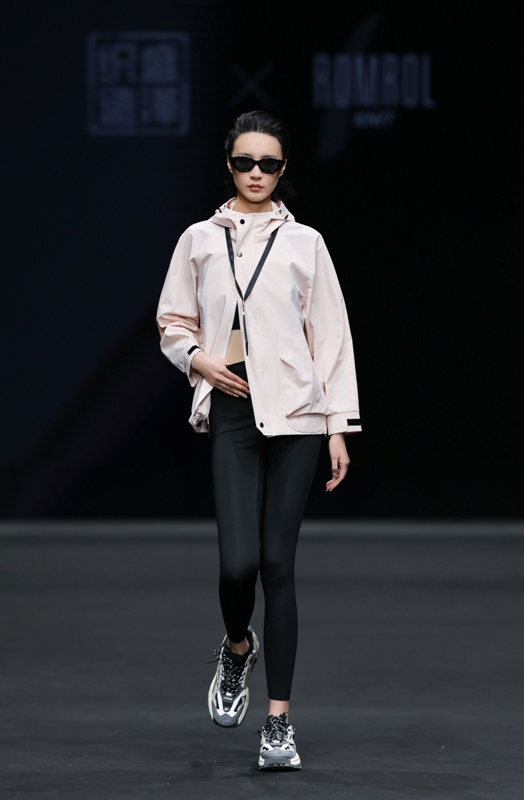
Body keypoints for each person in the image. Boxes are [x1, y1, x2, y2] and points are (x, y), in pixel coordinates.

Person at [156, 110, 361, 771]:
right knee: (236, 565)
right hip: (233, 409)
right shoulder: (198, 239)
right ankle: (237, 647)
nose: (255, 173)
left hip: (297, 413)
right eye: (244, 161)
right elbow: (172, 319)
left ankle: (278, 723)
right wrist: (198, 359)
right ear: (229, 165)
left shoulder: (305, 243)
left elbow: (330, 335)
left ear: (282, 170)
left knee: (278, 564)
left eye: (267, 164)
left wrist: (338, 424)